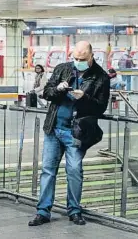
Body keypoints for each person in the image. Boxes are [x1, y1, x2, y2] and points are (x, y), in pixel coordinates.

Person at [28, 41, 110, 227]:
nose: (78, 61)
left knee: (74, 171)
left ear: (91, 56)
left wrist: (85, 98)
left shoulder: (101, 77)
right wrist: (57, 89)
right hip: (54, 128)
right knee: (48, 170)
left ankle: (74, 210)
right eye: (75, 58)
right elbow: (47, 93)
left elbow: (100, 107)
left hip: (76, 132)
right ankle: (43, 211)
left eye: (82, 59)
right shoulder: (62, 69)